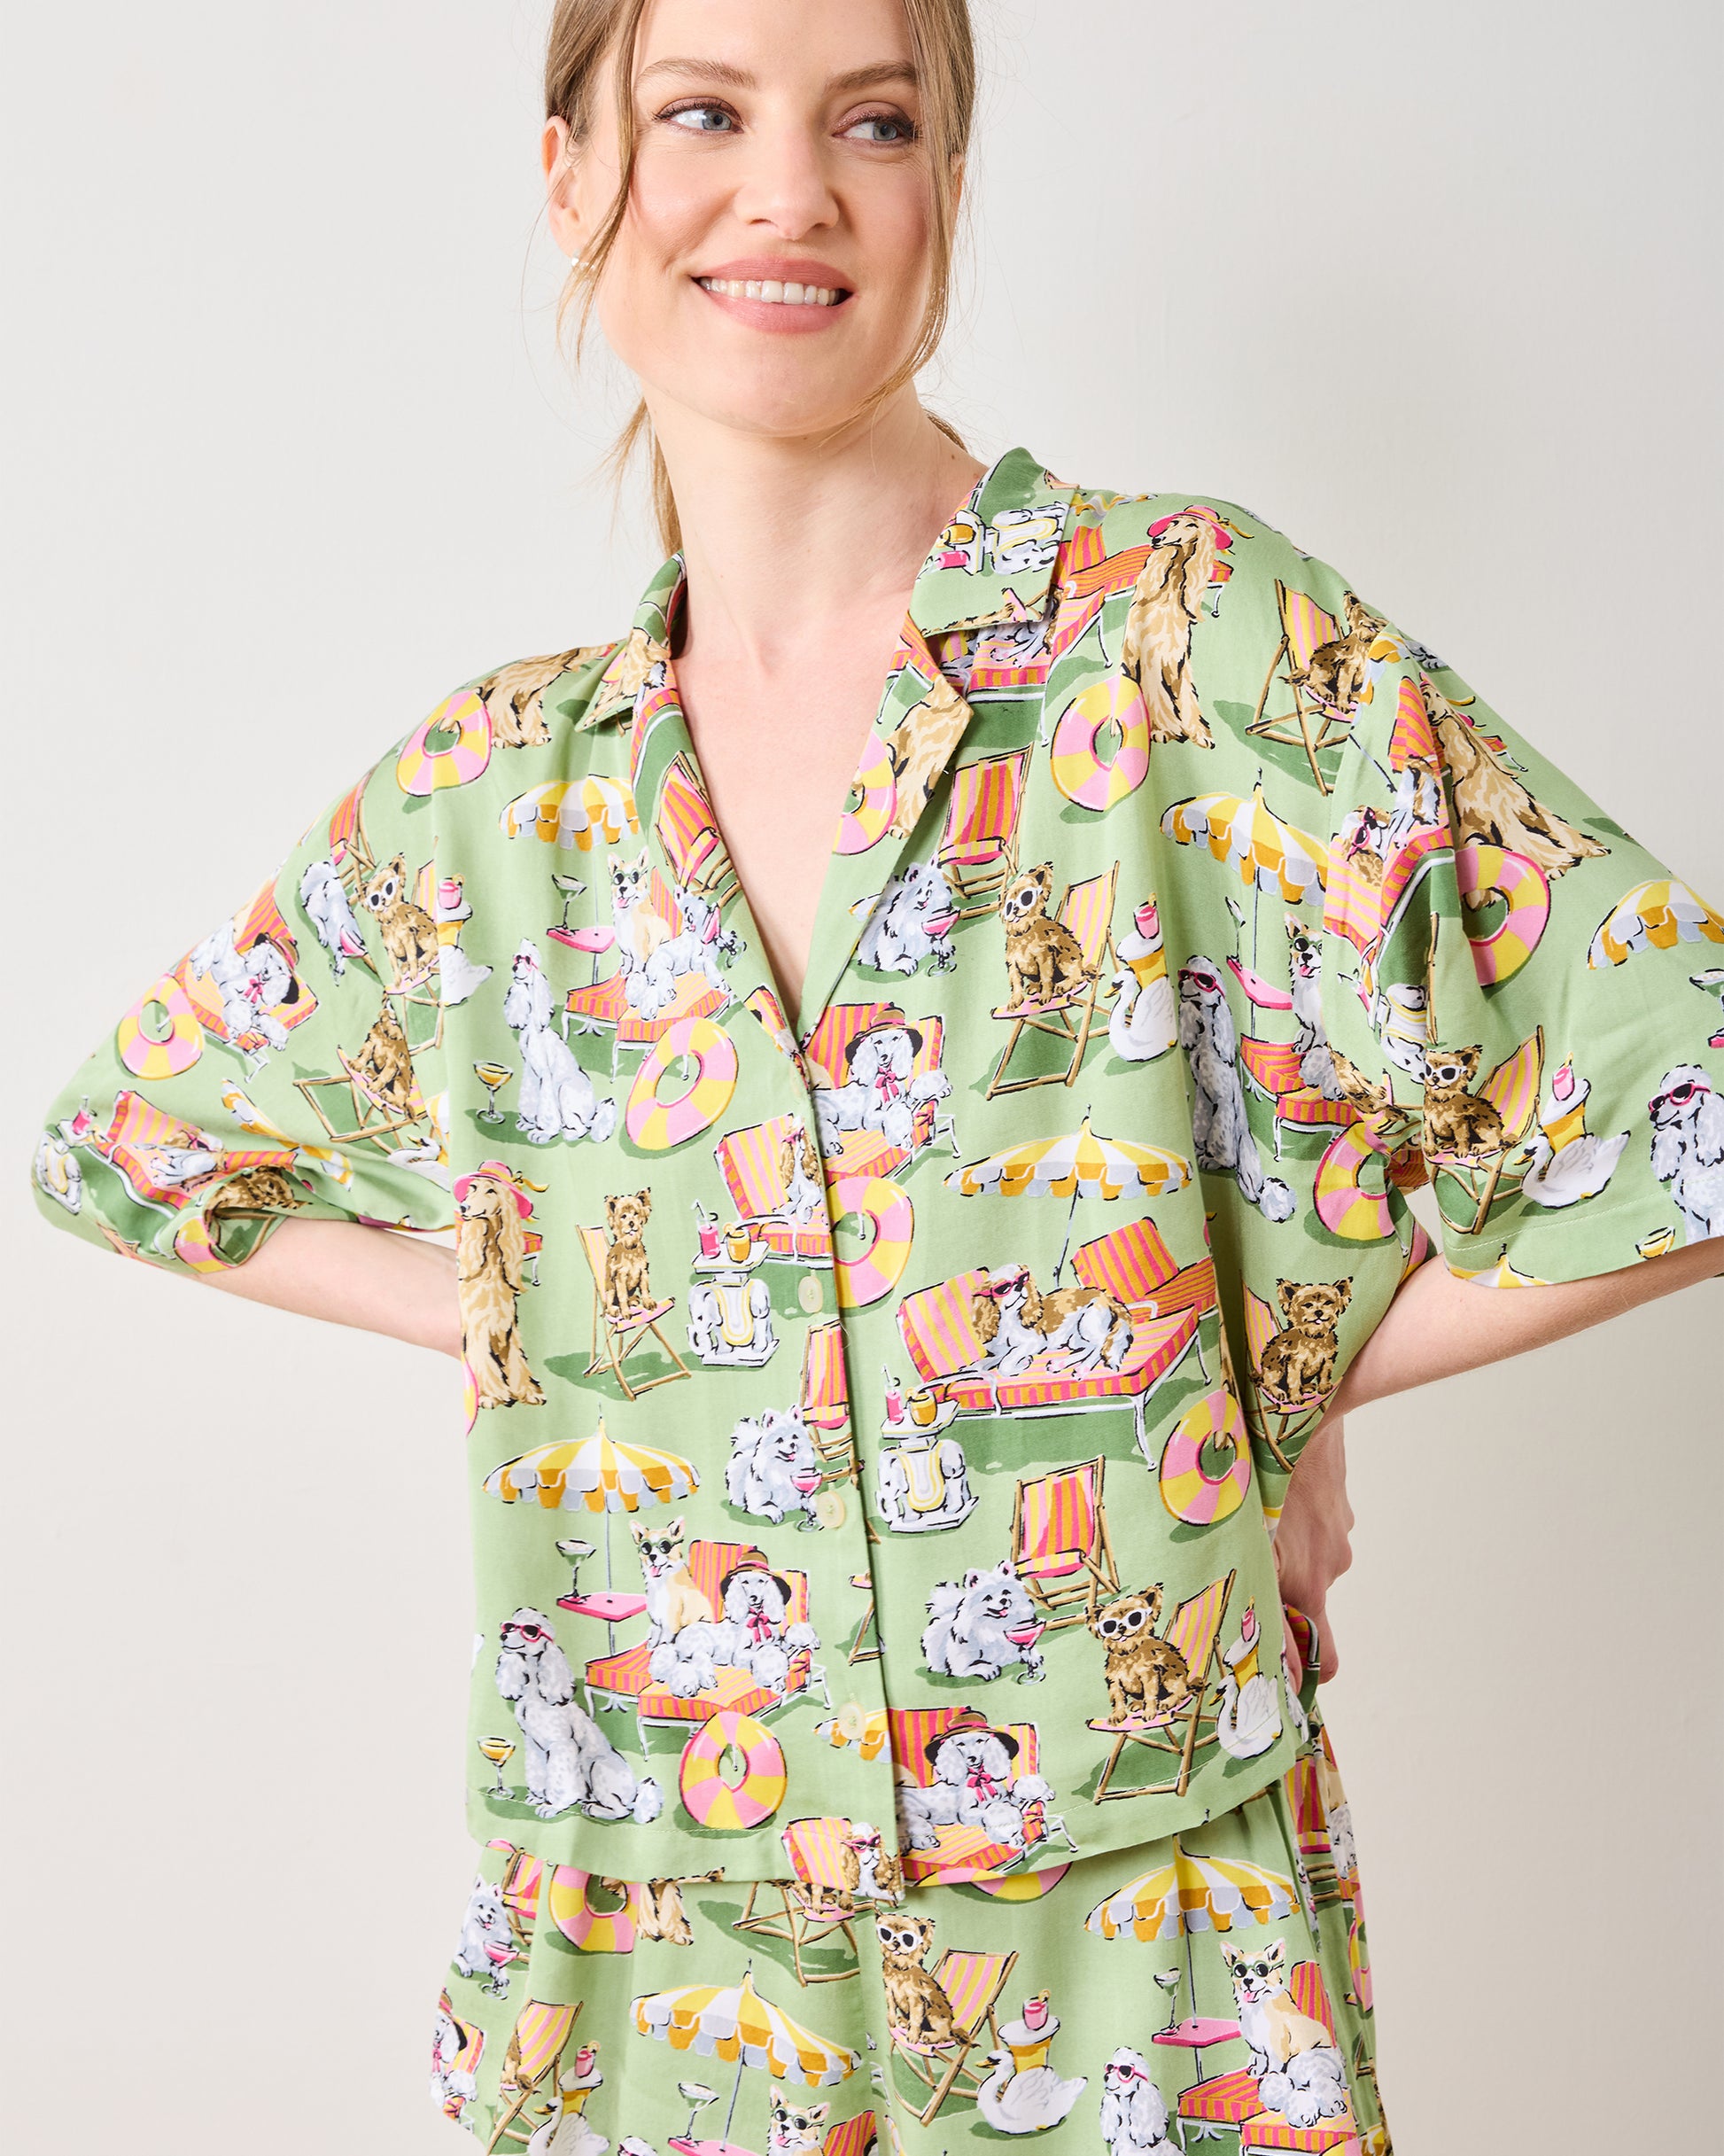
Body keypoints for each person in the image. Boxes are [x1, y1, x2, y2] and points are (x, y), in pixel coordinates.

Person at [27, 2, 1721, 2148]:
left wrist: (1244, 1381)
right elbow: (135, 1148)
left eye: (875, 123)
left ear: (945, 186)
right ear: (573, 175)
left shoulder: (1183, 638)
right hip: (649, 1933)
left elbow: (1681, 1099)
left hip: (1129, 1923)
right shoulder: (488, 800)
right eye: (701, 112)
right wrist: (540, 1305)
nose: (788, 192)